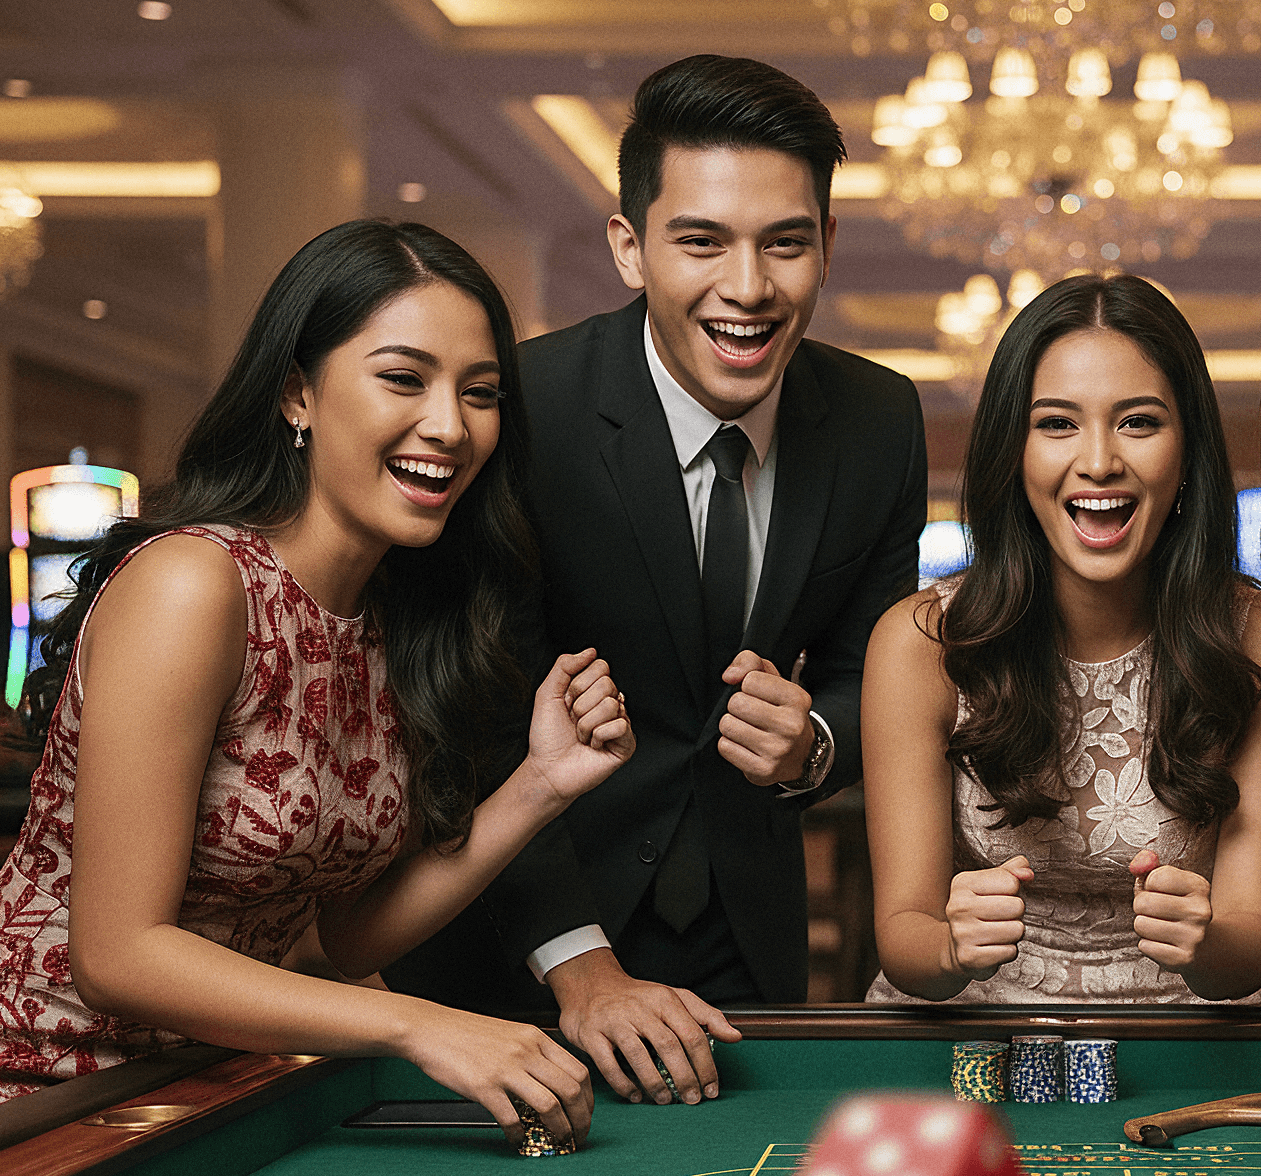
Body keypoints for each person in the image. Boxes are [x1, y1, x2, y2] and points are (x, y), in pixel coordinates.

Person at [0, 220, 634, 1142]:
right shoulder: (193, 585)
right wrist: (418, 1024)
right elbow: (118, 955)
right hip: (16, 1081)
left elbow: (350, 932)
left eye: (478, 393)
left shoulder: (397, 618)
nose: (449, 425)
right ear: (297, 393)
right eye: (403, 378)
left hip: (189, 1086)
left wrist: (539, 785)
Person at [386, 56, 927, 1099]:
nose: (749, 287)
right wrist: (579, 965)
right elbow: (463, 715)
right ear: (630, 250)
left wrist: (813, 740)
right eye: (701, 241)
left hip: (749, 948)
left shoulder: (877, 420)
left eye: (785, 243)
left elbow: (883, 672)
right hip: (516, 951)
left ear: (825, 247)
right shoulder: (519, 406)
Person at [863, 273, 1261, 1003]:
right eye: (1057, 424)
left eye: (1138, 422)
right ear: (1012, 450)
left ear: (1188, 450)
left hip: (1196, 1045)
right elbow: (904, 932)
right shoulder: (920, 643)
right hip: (978, 1039)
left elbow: (1251, 941)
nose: (1101, 460)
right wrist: (950, 948)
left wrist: (1205, 946)